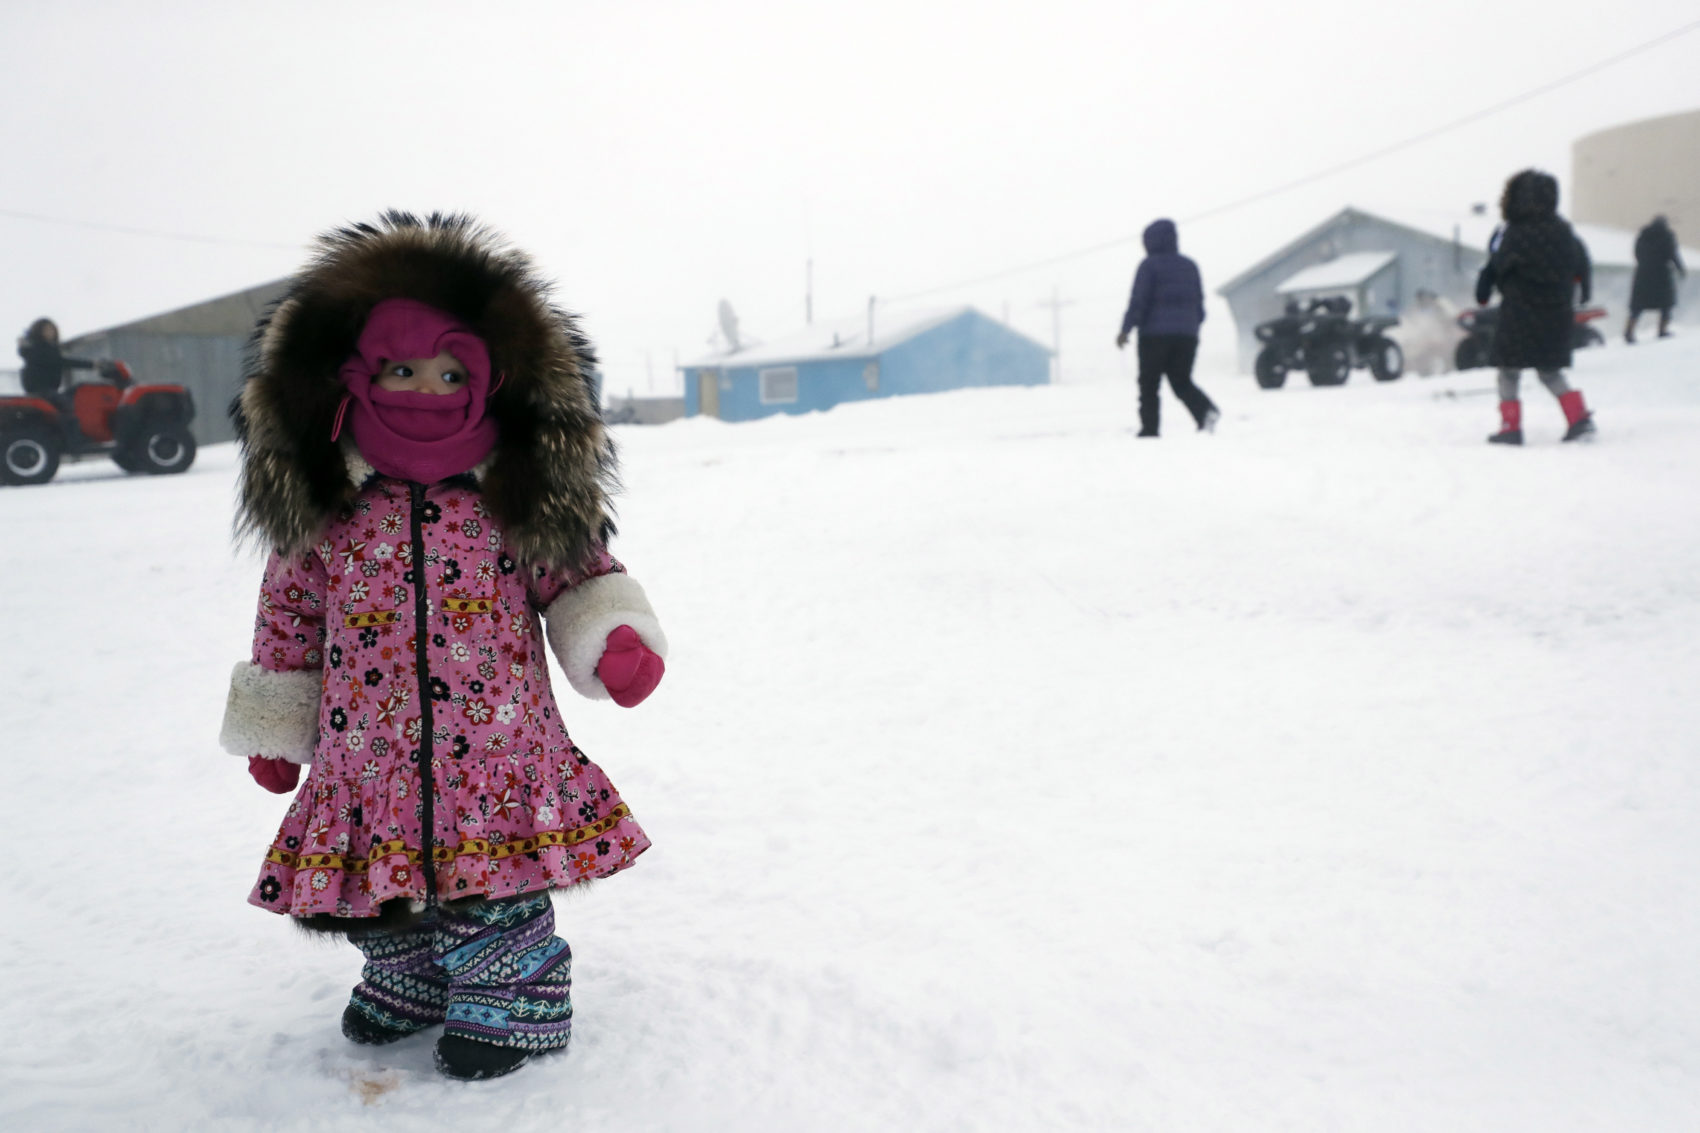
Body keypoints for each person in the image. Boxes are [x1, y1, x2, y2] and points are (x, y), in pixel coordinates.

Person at [217, 211, 669, 1081]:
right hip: (366, 747)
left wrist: (613, 637)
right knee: (378, 882)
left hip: (496, 748)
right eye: (401, 369)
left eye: (451, 370)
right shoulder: (328, 505)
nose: (427, 387)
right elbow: (290, 616)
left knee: (489, 877)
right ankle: (410, 977)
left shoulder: (510, 493)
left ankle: (516, 993)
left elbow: (576, 574)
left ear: (490, 381)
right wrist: (277, 728)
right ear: (356, 377)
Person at [1475, 170, 1596, 445]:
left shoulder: (1513, 232)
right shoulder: (1564, 231)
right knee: (1550, 370)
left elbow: (1495, 265)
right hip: (1556, 311)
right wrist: (1584, 292)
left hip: (1520, 311)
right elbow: (1582, 263)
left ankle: (1510, 428)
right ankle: (1579, 418)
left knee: (1508, 370)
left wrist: (1483, 293)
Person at [1115, 218, 1219, 436]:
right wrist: (1192, 326)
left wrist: (1126, 330)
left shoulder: (1149, 266)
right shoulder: (1190, 266)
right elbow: (1199, 303)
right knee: (1181, 381)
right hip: (1187, 335)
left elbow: (1138, 301)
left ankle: (1150, 430)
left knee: (1149, 384)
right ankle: (1205, 411)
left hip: (1154, 335)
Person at [1626, 215, 1685, 343]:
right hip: (1661, 275)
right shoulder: (1667, 235)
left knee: (1637, 306)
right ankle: (1662, 330)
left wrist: (1645, 263)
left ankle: (1629, 332)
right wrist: (1681, 270)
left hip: (1643, 274)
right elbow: (1673, 254)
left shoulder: (1643, 235)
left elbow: (1636, 253)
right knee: (1666, 304)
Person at [16, 317, 96, 397]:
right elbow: (61, 361)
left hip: (49, 391)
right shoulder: (39, 350)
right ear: (38, 332)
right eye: (47, 330)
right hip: (44, 392)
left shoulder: (41, 350)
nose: (51, 332)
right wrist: (93, 364)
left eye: (52, 329)